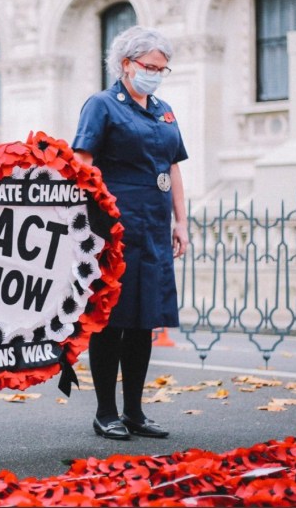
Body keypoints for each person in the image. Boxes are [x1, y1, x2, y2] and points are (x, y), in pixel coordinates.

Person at [71, 25, 188, 441]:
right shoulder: (102, 105)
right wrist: (91, 220)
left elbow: (172, 167)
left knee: (143, 322)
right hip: (114, 230)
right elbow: (81, 162)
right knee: (112, 321)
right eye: (150, 66)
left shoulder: (163, 110)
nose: (156, 73)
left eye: (162, 68)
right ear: (126, 64)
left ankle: (135, 411)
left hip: (154, 229)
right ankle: (106, 412)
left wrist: (181, 222)